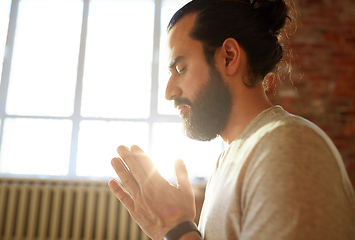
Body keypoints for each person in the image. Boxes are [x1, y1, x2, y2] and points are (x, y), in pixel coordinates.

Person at [108, 0, 355, 239]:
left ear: (229, 56)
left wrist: (177, 231)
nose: (169, 92)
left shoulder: (288, 147)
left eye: (181, 69)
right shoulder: (229, 159)